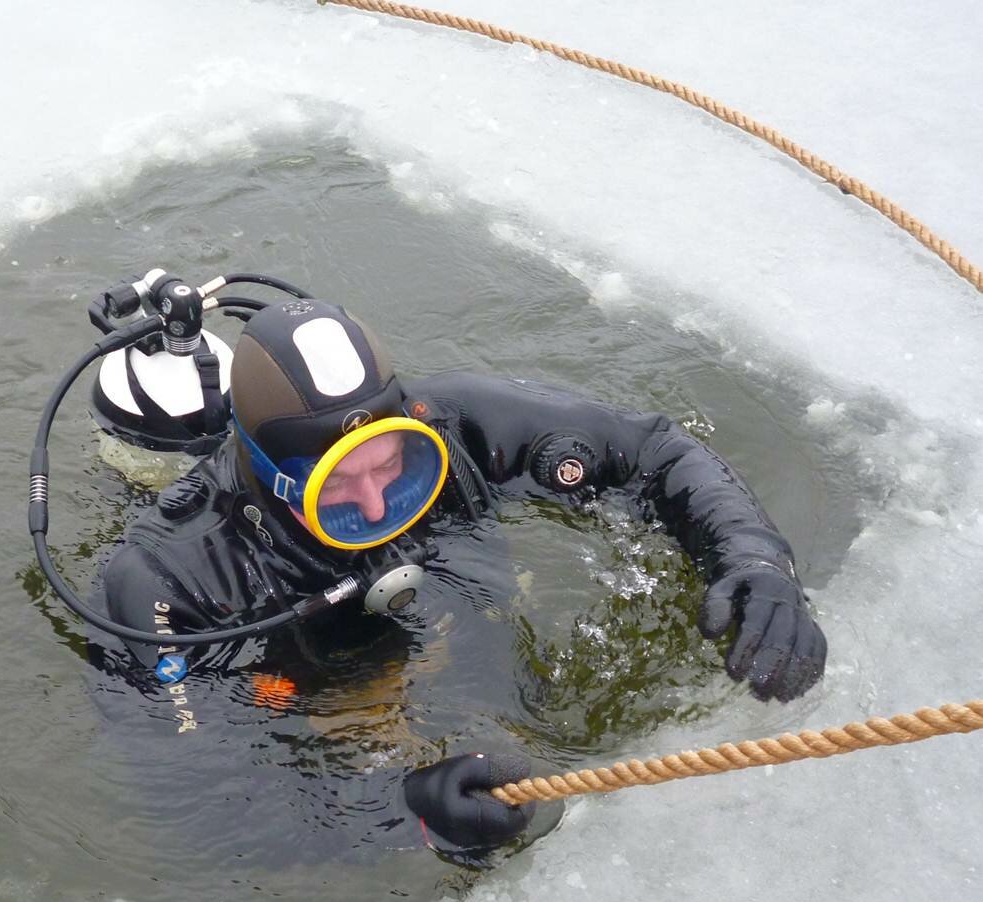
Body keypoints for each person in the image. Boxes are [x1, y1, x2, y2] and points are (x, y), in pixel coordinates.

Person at [91, 298, 826, 863]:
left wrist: (754, 558)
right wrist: (399, 805)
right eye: (340, 489)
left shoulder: (450, 425)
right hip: (293, 672)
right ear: (269, 474)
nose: (378, 504)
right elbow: (199, 803)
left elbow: (653, 449)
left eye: (393, 464)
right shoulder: (166, 577)